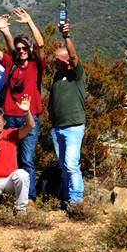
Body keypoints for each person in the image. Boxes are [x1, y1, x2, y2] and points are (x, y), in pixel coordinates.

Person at [0, 7, 46, 200]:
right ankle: (9, 194)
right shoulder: (10, 63)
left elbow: (40, 43)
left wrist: (29, 21)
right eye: (18, 48)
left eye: (24, 48)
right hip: (10, 117)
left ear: (28, 50)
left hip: (29, 118)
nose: (21, 51)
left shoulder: (35, 64)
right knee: (10, 158)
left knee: (27, 158)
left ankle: (29, 197)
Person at [49, 22, 85, 207]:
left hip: (73, 126)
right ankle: (65, 197)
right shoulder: (56, 77)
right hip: (58, 128)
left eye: (56, 59)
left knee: (71, 164)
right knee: (64, 166)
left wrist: (67, 36)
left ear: (66, 61)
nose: (53, 61)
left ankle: (76, 201)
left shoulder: (76, 75)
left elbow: (73, 55)